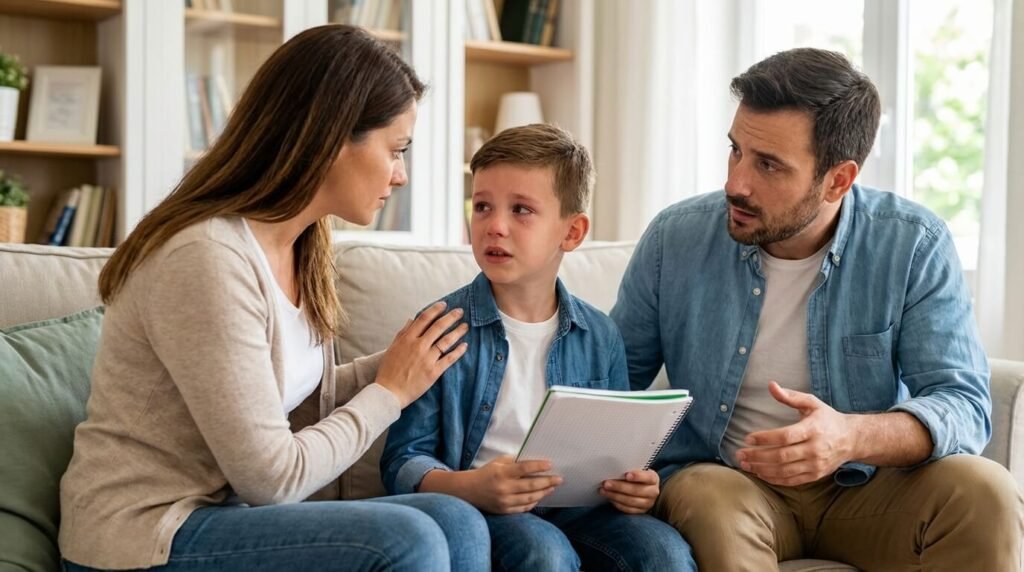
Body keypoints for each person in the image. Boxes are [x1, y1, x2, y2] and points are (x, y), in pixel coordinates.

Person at [58, 25, 490, 572]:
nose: (401, 175)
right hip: (142, 533)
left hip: (223, 519)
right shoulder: (207, 258)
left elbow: (293, 398)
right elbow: (272, 479)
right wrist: (389, 392)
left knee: (457, 519)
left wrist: (421, 358)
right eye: (396, 150)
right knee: (407, 540)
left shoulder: (300, 245)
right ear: (332, 138)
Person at [610, 47, 1024, 569]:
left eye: (768, 165)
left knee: (985, 490)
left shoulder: (912, 244)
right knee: (709, 498)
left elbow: (963, 404)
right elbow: (610, 383)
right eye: (736, 150)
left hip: (869, 490)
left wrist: (849, 436)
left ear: (838, 180)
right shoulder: (675, 239)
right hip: (729, 481)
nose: (736, 183)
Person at [380, 124, 696, 571]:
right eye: (482, 206)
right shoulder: (441, 327)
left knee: (664, 553)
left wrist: (637, 486)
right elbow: (402, 461)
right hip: (487, 511)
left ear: (572, 232)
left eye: (521, 210)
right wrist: (472, 487)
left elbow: (623, 453)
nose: (495, 226)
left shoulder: (601, 335)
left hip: (584, 510)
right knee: (544, 553)